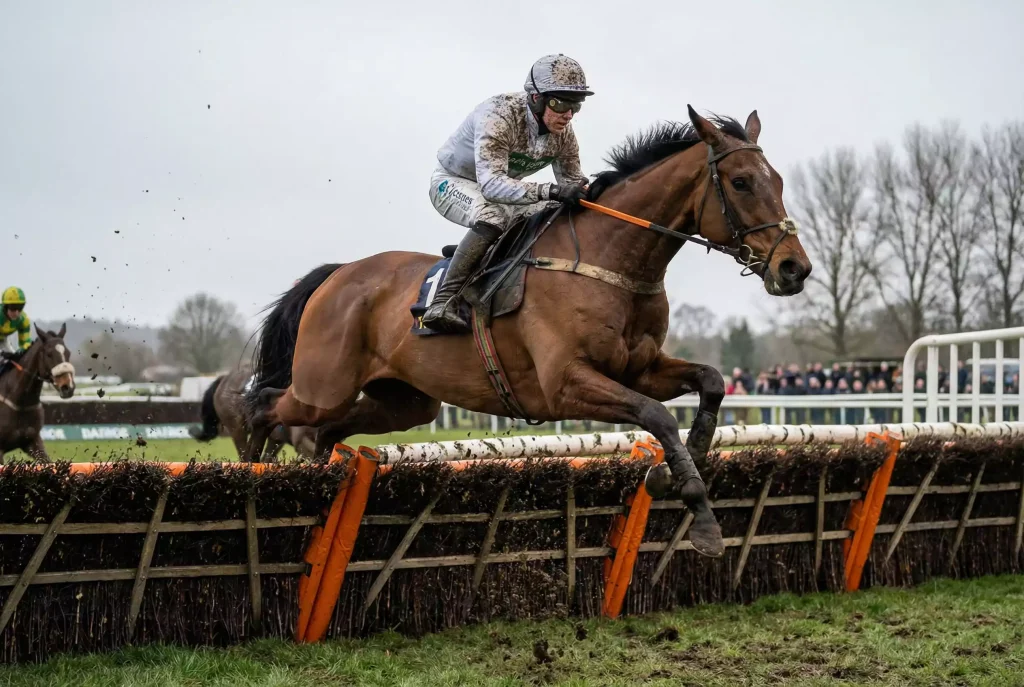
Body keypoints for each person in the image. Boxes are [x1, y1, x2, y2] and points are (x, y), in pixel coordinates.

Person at [421, 54, 594, 333]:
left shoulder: (564, 133)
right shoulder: (499, 114)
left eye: (575, 105)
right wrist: (550, 190)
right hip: (453, 182)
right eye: (560, 103)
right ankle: (442, 302)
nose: (568, 114)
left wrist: (592, 193)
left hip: (502, 190)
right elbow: (491, 186)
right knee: (493, 215)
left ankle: (487, 255)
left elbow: (573, 182)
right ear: (536, 98)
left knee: (556, 213)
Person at [0, 286, 32, 374]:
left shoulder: (23, 320)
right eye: (13, 308)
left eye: (20, 307)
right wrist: (2, 353)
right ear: (5, 307)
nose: (17, 312)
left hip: (3, 339)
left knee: (16, 362)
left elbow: (25, 343)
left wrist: (20, 352)